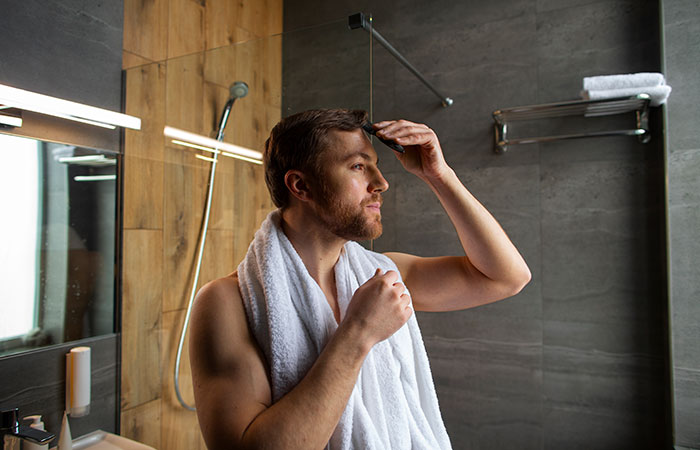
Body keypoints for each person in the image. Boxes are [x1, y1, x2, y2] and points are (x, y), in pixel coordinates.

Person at [189, 109, 531, 450]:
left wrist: (438, 174)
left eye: (375, 165)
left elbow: (506, 277)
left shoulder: (384, 275)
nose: (381, 183)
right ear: (301, 185)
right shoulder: (227, 302)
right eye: (358, 166)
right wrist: (358, 334)